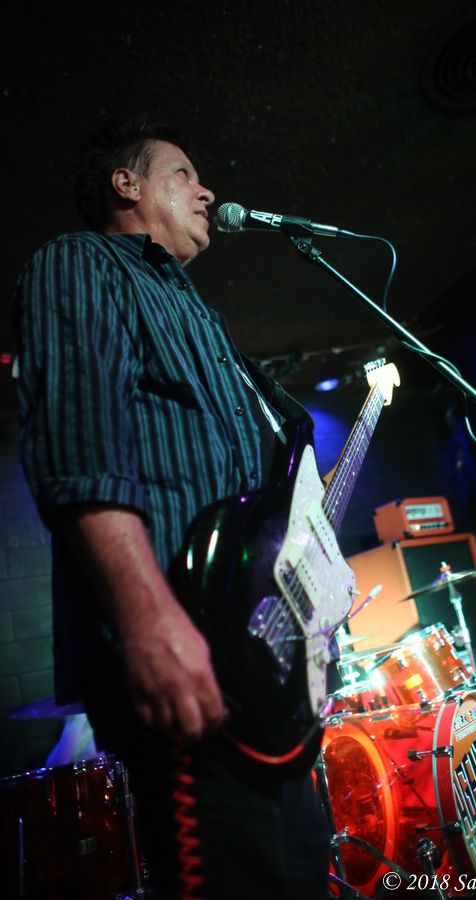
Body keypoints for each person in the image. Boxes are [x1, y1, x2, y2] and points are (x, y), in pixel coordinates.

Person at [13, 117, 330, 899]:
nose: (207, 190)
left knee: (298, 873)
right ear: (126, 184)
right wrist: (148, 621)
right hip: (183, 642)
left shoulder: (201, 318)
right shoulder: (80, 261)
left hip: (262, 662)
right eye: (183, 173)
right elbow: (79, 448)